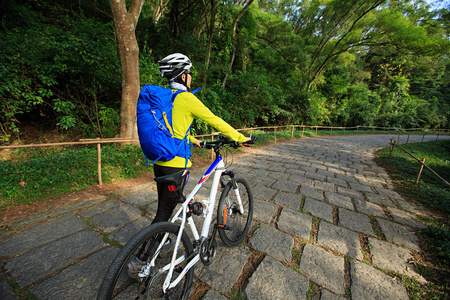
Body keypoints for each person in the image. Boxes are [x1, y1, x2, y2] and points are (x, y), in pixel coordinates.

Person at [128, 53, 250, 277]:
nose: (191, 77)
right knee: (164, 214)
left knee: (166, 208)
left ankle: (162, 241)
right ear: (183, 76)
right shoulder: (187, 99)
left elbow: (174, 129)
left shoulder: (167, 98)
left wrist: (196, 140)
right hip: (177, 166)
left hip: (160, 163)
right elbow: (215, 120)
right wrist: (241, 138)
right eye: (189, 73)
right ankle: (139, 262)